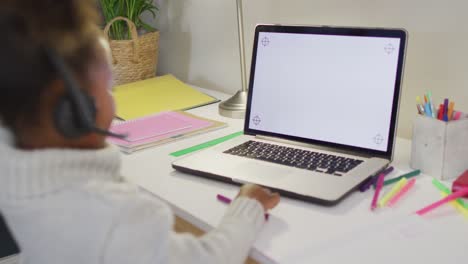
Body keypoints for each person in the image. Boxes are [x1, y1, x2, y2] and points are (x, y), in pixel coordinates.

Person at [0, 1, 280, 263]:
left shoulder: (12, 162)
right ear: (73, 112)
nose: (114, 98)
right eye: (109, 87)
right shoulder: (117, 217)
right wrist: (248, 206)